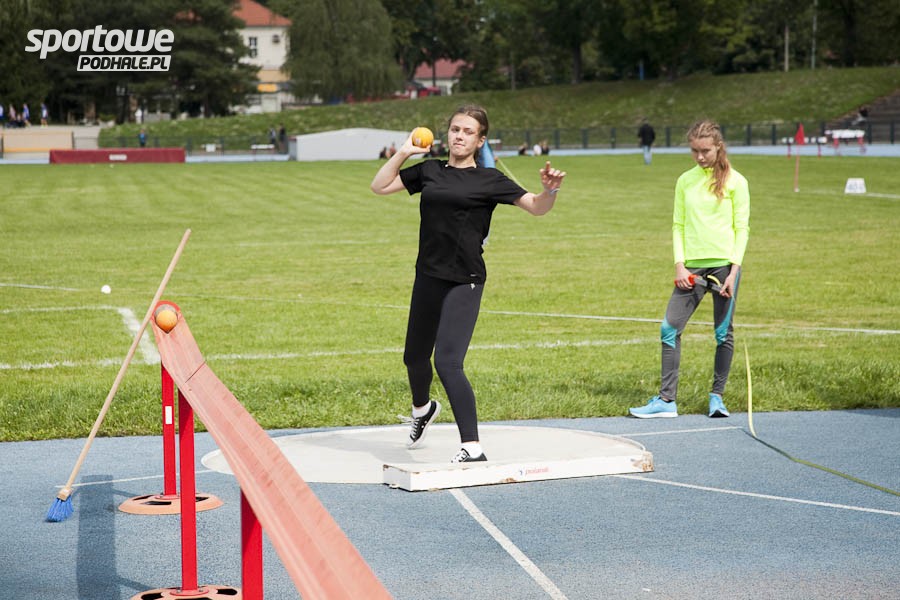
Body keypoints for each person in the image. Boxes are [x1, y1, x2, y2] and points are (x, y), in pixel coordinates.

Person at [370, 105, 566, 463]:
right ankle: (422, 410)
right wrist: (404, 152)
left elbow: (536, 207)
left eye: (468, 131)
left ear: (480, 140)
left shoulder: (489, 180)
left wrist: (549, 191)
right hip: (428, 275)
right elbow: (379, 186)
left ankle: (473, 447)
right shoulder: (430, 170)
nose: (459, 136)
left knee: (447, 363)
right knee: (414, 357)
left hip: (465, 280)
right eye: (455, 129)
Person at [630, 120, 749, 419]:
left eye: (705, 151)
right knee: (669, 328)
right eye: (694, 151)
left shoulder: (736, 181)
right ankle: (666, 401)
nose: (699, 157)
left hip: (724, 268)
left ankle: (717, 398)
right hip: (691, 269)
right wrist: (680, 266)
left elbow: (742, 228)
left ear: (718, 147)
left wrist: (734, 271)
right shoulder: (685, 180)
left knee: (722, 333)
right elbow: (678, 225)